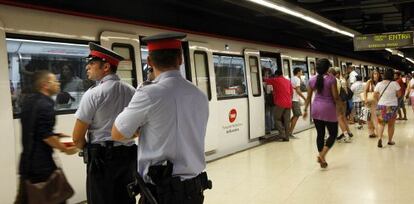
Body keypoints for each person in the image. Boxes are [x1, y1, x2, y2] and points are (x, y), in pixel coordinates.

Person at [111, 32, 211, 204]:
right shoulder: (199, 95)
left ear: (149, 62)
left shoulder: (148, 93)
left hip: (161, 193)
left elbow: (117, 133)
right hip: (194, 190)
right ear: (180, 59)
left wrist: (140, 129)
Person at [71, 43, 136, 204]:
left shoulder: (93, 94)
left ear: (106, 66)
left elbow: (77, 138)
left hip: (102, 161)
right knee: (126, 200)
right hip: (129, 157)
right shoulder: (132, 91)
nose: (87, 67)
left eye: (92, 63)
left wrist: (88, 150)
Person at [15, 70, 78, 204]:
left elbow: (35, 129)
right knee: (54, 198)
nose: (58, 83)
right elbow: (45, 135)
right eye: (55, 81)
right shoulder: (46, 104)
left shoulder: (29, 101)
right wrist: (65, 148)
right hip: (42, 166)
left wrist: (57, 135)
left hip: (26, 163)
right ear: (45, 85)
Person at [303, 59, 340, 168]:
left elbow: (308, 97)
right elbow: (336, 97)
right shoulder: (331, 79)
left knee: (320, 134)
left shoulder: (312, 80)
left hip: (316, 109)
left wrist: (305, 109)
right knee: (333, 134)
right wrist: (340, 108)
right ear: (328, 68)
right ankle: (322, 155)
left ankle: (322, 158)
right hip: (329, 109)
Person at [375, 68, 401, 148]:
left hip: (381, 105)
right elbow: (399, 94)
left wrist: (380, 99)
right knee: (391, 124)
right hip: (392, 106)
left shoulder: (379, 84)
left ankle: (379, 138)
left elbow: (375, 94)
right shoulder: (395, 84)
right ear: (392, 75)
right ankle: (390, 141)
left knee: (380, 123)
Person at [265, 69, 293, 141]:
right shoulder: (288, 81)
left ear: (276, 75)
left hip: (280, 103)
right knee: (287, 121)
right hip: (289, 103)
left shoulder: (276, 80)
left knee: (276, 118)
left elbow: (266, 80)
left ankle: (282, 134)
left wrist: (266, 76)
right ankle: (287, 137)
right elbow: (291, 92)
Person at [330, 67, 353, 143]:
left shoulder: (334, 81)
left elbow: (335, 93)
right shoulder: (341, 80)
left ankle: (346, 135)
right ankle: (348, 133)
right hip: (343, 101)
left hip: (338, 101)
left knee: (339, 118)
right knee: (343, 117)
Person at [364, 70, 381, 138]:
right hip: (369, 102)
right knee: (369, 118)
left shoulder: (380, 82)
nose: (375, 75)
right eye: (374, 74)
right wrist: (365, 100)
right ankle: (371, 132)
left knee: (376, 117)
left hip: (377, 102)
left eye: (377, 74)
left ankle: (378, 131)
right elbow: (365, 91)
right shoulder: (369, 82)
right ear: (372, 75)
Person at [289, 67, 306, 138]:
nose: (302, 73)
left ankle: (287, 129)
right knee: (297, 115)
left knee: (296, 114)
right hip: (294, 99)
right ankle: (290, 132)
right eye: (301, 72)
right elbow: (298, 91)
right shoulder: (297, 79)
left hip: (291, 99)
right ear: (298, 72)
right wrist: (304, 98)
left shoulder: (291, 78)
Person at [262, 67, 274, 134]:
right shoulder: (270, 81)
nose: (266, 76)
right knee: (270, 114)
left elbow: (269, 91)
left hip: (267, 100)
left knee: (268, 114)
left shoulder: (265, 82)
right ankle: (271, 126)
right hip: (271, 100)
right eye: (265, 74)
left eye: (267, 74)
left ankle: (268, 128)